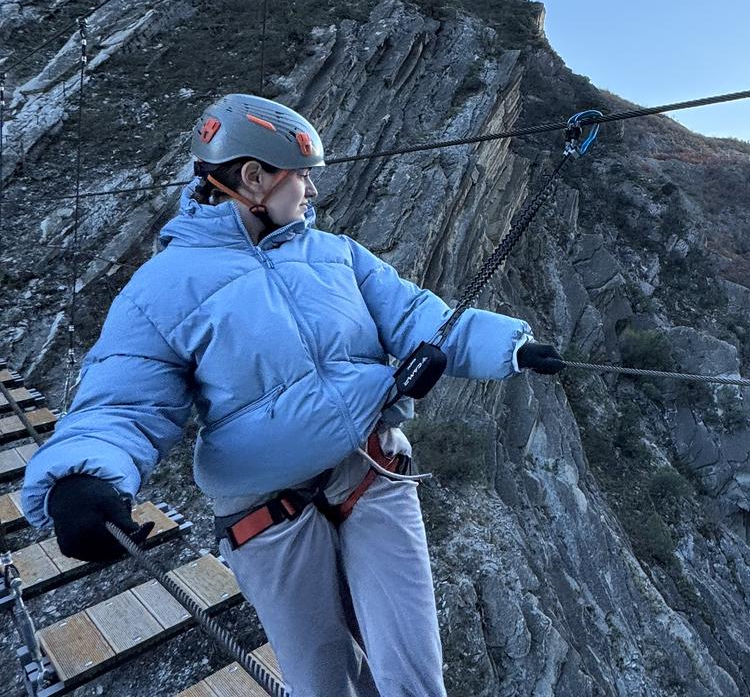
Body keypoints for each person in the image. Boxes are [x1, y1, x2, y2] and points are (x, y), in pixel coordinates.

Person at [21, 93, 565, 697]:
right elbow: (124, 400)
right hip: (266, 506)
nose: (309, 190)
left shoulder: (336, 254)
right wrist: (84, 478)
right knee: (321, 681)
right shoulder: (160, 290)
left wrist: (509, 347)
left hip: (370, 467)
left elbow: (419, 317)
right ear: (253, 177)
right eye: (300, 174)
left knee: (413, 678)